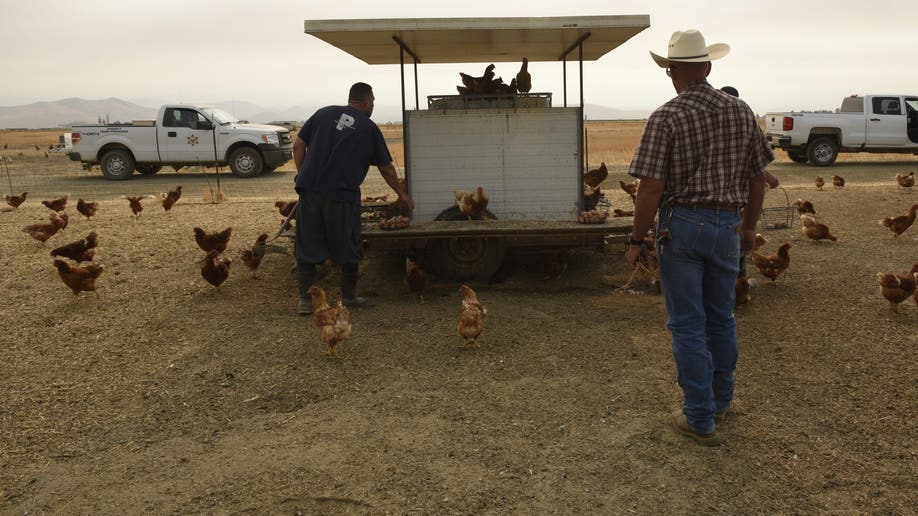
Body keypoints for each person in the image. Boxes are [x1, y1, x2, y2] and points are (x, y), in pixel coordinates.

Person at [624, 30, 774, 446]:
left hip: (683, 226)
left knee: (688, 325)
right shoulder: (742, 111)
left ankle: (699, 417)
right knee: (721, 317)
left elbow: (650, 187)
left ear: (672, 72)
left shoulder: (666, 116)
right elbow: (757, 180)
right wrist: (748, 228)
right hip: (727, 226)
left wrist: (637, 240)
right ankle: (720, 403)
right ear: (707, 67)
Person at [293, 82, 414, 315]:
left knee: (307, 244)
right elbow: (387, 168)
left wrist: (303, 176)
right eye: (374, 101)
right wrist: (402, 194)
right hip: (342, 196)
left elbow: (298, 146)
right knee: (347, 244)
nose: (373, 106)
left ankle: (305, 301)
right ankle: (348, 298)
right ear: (367, 101)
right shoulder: (368, 128)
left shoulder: (322, 113)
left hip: (310, 192)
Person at [719, 85, 780, 289]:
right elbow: (753, 167)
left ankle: (732, 283)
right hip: (735, 198)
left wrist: (767, 177)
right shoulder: (744, 122)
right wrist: (768, 177)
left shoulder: (710, 122)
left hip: (710, 204)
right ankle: (740, 282)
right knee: (737, 236)